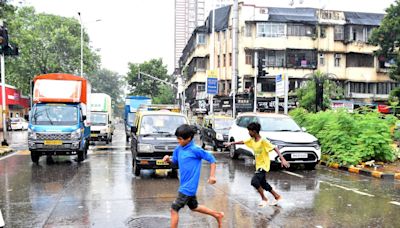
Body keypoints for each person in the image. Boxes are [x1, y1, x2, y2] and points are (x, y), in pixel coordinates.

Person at [163, 124, 224, 228]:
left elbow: (212, 159)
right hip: (184, 184)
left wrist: (212, 176)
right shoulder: (178, 149)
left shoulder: (196, 150)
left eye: (180, 139)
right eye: (177, 138)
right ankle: (217, 215)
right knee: (194, 207)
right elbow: (176, 164)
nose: (178, 141)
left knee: (174, 209)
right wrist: (169, 160)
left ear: (189, 138)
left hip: (188, 187)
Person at [224, 122, 290, 207]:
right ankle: (277, 196)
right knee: (263, 184)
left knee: (254, 182)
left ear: (254, 131)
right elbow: (243, 142)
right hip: (258, 165)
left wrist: (282, 159)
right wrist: (231, 143)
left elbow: (275, 148)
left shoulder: (263, 141)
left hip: (264, 165)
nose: (248, 133)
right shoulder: (252, 140)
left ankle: (264, 199)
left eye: (250, 131)